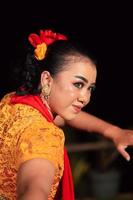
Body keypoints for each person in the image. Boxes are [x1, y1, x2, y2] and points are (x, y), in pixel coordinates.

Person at [0, 29, 133, 200]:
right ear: (47, 80)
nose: (85, 98)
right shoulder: (45, 137)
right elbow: (36, 189)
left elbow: (69, 116)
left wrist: (114, 132)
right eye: (78, 84)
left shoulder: (13, 102)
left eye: (90, 88)